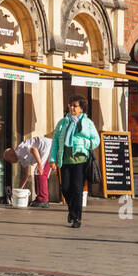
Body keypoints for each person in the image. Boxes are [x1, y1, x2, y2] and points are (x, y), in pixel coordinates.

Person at [50, 95, 100, 229]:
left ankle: (76, 218)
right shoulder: (62, 123)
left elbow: (96, 140)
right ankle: (72, 210)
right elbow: (55, 141)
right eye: (70, 105)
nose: (72, 108)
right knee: (65, 188)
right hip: (65, 160)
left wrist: (85, 142)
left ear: (81, 109)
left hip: (80, 160)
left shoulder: (88, 123)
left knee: (77, 189)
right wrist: (52, 159)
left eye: (75, 106)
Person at [4, 132, 53, 208]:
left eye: (9, 160)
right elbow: (25, 175)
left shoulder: (20, 149)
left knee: (40, 173)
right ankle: (39, 198)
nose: (11, 163)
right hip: (44, 150)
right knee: (36, 172)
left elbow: (34, 149)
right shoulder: (21, 159)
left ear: (11, 154)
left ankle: (43, 199)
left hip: (48, 147)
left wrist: (40, 165)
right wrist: (19, 190)